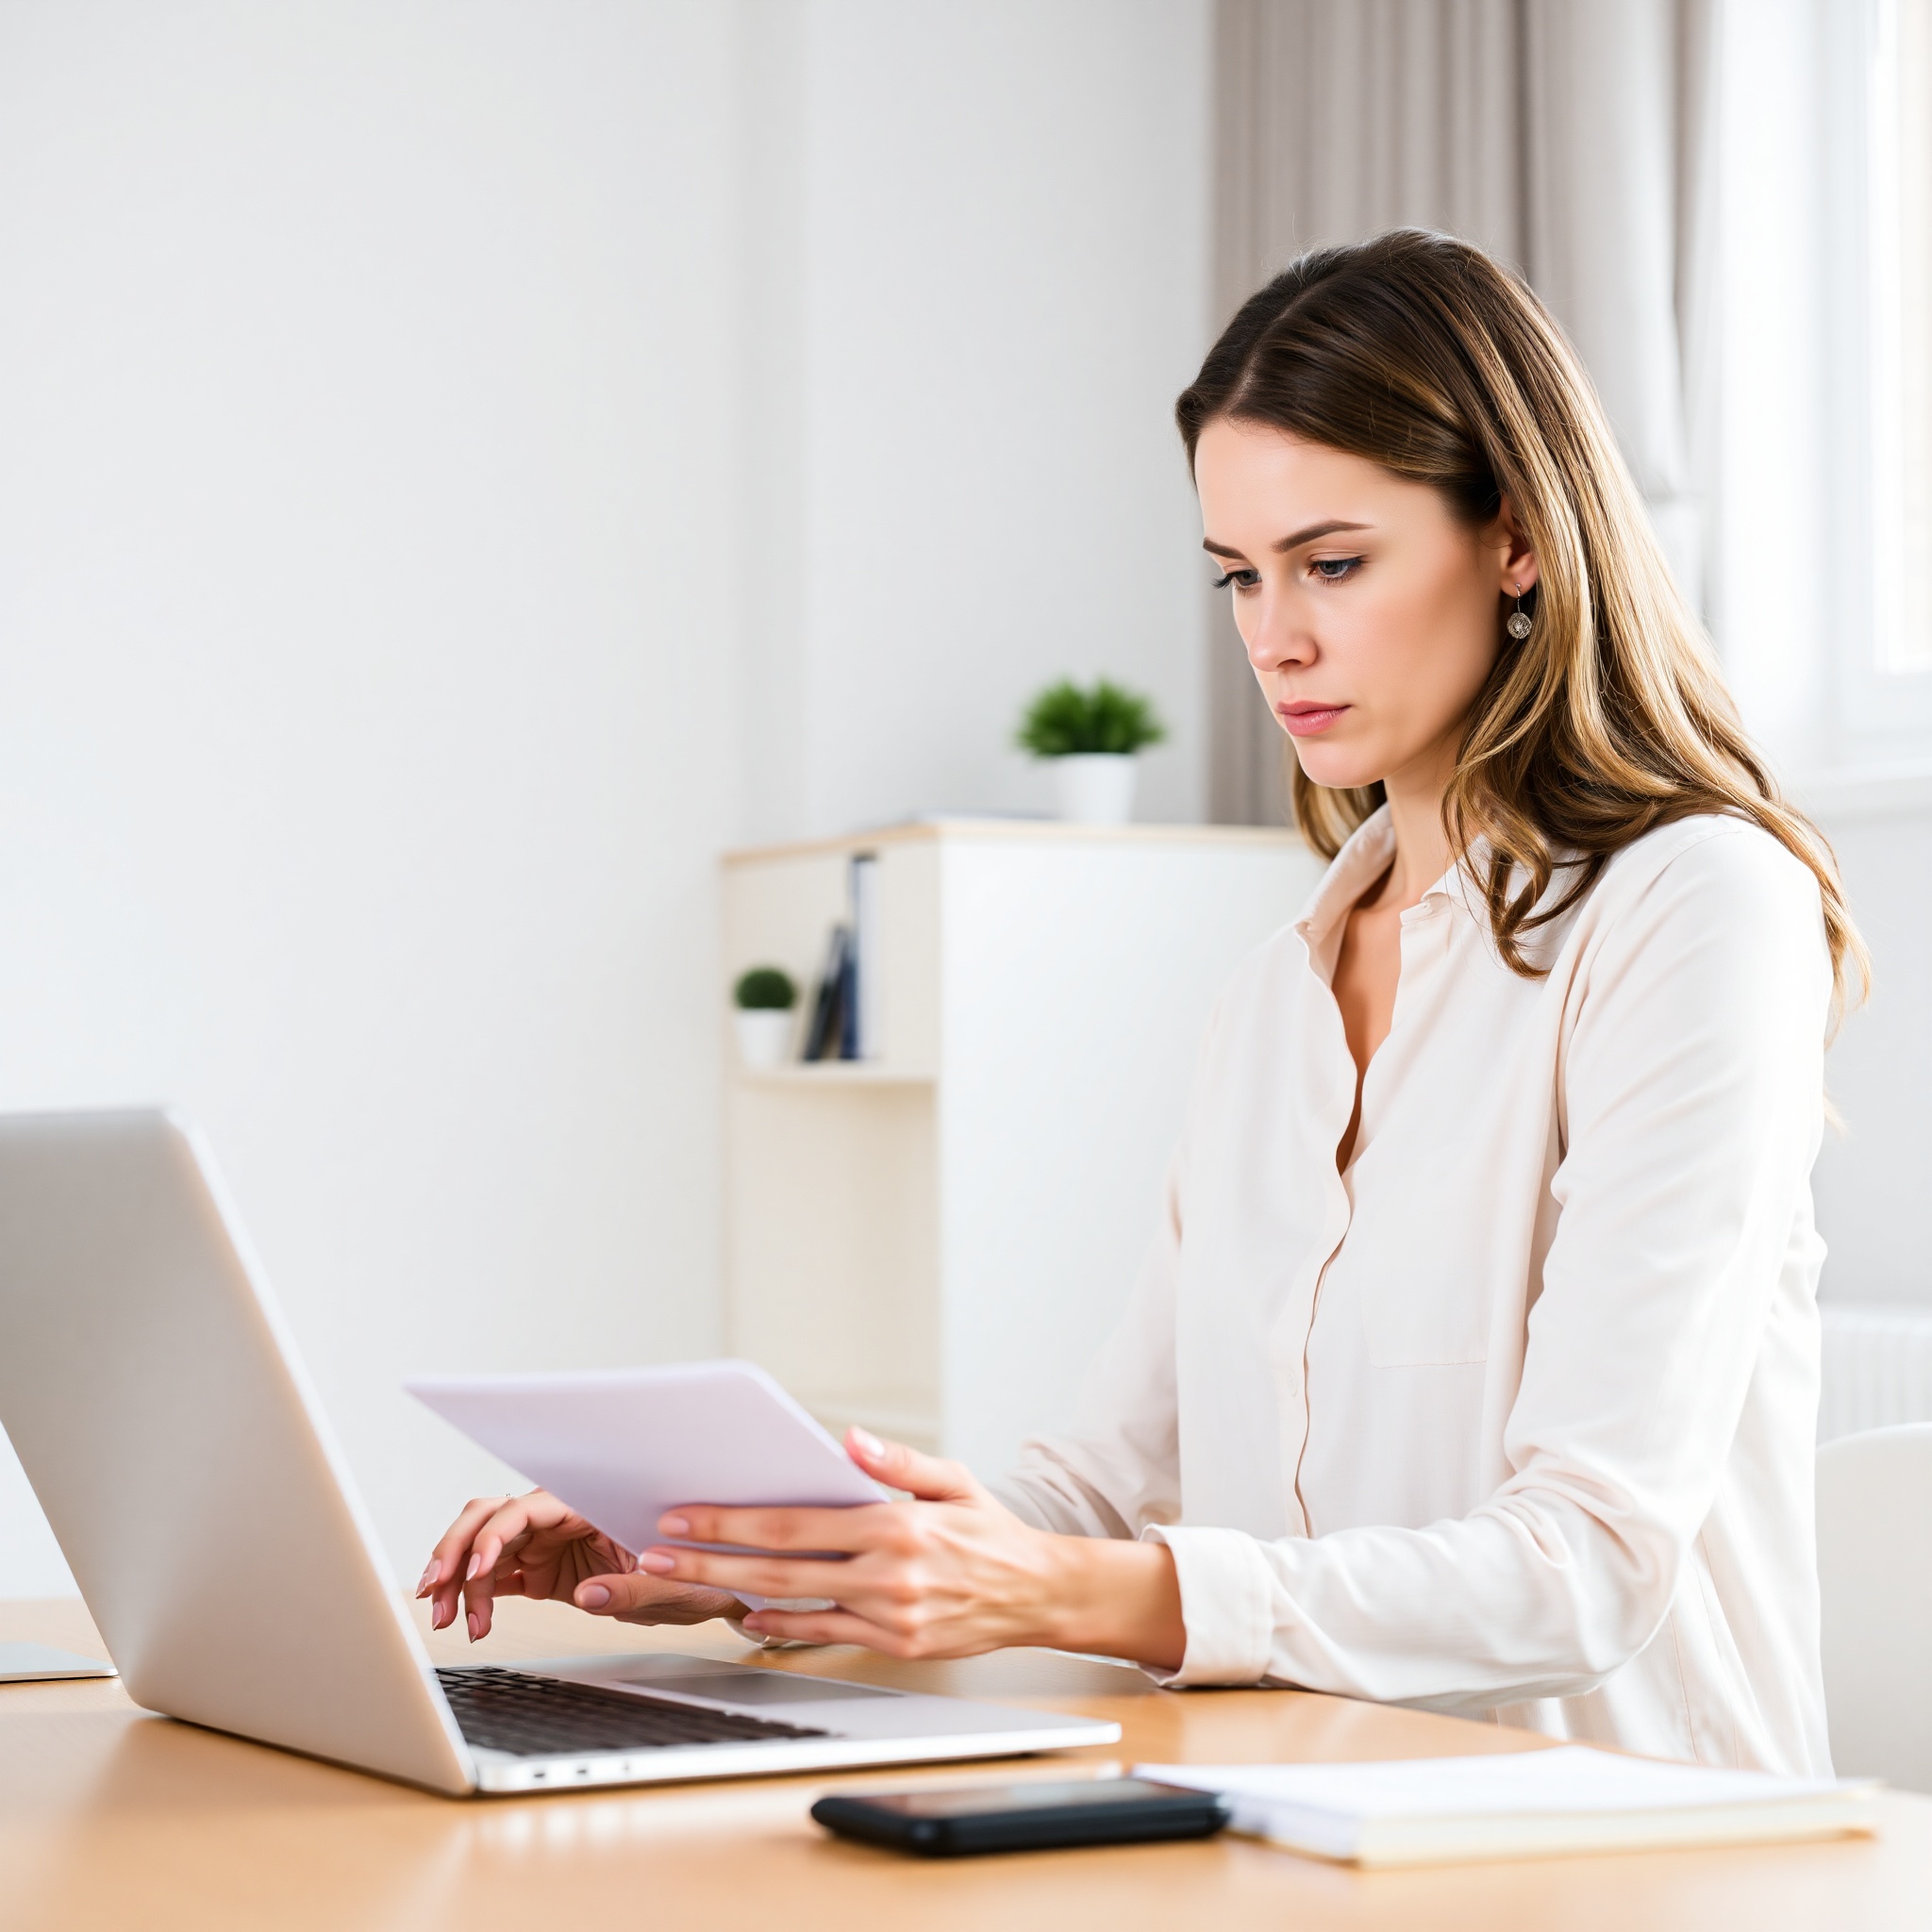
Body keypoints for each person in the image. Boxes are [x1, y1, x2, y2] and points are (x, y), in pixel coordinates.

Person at [420, 230, 1864, 1774]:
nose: (1273, 637)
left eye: (1333, 563)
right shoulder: (1275, 996)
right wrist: (747, 1552)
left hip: (1629, 1835)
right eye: (1239, 574)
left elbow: (1589, 1565)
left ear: (1516, 539)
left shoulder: (1694, 909)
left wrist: (1056, 1587)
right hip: (1302, 1816)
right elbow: (1101, 1492)